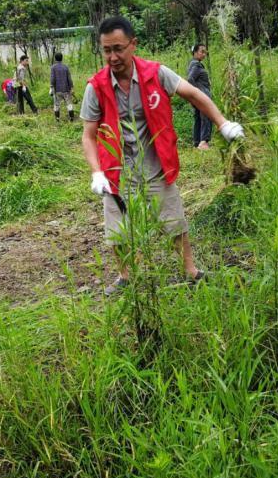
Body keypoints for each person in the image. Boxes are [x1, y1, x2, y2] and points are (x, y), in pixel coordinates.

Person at [80, 16, 245, 295]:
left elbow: (193, 94)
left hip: (155, 164)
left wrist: (222, 123)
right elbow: (89, 135)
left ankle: (191, 271)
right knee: (118, 227)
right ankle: (125, 277)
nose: (113, 56)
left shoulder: (156, 74)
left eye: (118, 48)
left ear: (134, 44)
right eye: (107, 50)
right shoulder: (96, 86)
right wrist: (96, 171)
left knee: (173, 219)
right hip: (116, 170)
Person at [187, 44, 212, 150]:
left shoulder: (193, 64)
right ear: (195, 53)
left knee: (198, 118)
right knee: (206, 116)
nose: (204, 54)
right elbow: (190, 79)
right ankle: (203, 142)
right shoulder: (196, 65)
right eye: (202, 51)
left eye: (205, 52)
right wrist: (197, 92)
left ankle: (197, 143)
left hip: (197, 96)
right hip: (201, 96)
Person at [50, 52, 75, 121]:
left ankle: (57, 119)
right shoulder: (65, 67)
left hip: (57, 89)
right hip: (66, 89)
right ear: (62, 58)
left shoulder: (53, 67)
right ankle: (72, 118)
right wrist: (72, 87)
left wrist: (51, 87)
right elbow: (69, 78)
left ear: (55, 59)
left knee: (57, 104)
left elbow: (52, 78)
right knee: (69, 103)